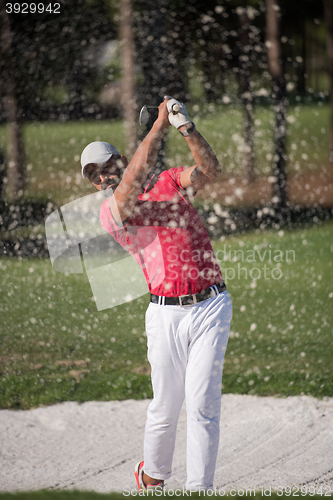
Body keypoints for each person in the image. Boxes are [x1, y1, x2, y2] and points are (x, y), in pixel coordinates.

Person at [80, 97, 233, 491]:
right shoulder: (112, 211)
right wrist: (158, 125)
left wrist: (186, 127)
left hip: (211, 305)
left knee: (203, 406)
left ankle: (200, 490)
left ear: (120, 159)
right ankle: (152, 479)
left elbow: (210, 171)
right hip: (165, 315)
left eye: (105, 167)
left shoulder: (168, 181)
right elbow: (133, 180)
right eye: (92, 176)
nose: (101, 178)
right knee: (165, 408)